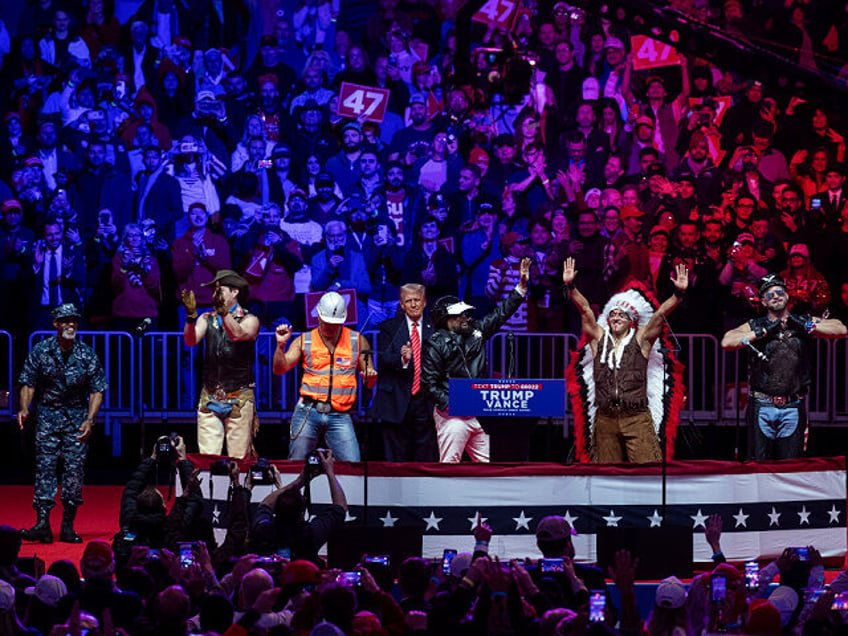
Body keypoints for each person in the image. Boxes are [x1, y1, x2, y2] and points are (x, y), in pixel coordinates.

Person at [564, 257, 688, 463]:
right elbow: (585, 310)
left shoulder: (641, 340)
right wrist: (571, 286)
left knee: (647, 472)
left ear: (631, 321)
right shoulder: (598, 340)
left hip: (636, 417)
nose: (616, 317)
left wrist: (678, 294)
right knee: (605, 477)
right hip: (605, 418)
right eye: (612, 315)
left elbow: (659, 315)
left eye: (621, 315)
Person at [721, 273, 847, 460]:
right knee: (757, 466)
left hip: (793, 405)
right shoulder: (756, 324)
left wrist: (807, 325)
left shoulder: (803, 322)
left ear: (787, 296)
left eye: (779, 292)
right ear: (763, 302)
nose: (776, 296)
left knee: (791, 466)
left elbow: (840, 329)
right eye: (770, 295)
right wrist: (762, 332)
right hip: (761, 405)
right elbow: (727, 341)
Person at [421, 258, 531, 463]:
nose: (465, 317)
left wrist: (521, 288)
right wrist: (453, 403)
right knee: (449, 466)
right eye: (459, 315)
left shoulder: (476, 332)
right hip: (451, 416)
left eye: (465, 313)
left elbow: (500, 314)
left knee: (487, 468)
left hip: (480, 415)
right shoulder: (435, 344)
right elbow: (428, 384)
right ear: (446, 320)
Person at [17, 303, 107, 544]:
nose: (70, 325)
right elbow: (28, 382)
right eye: (65, 320)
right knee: (45, 469)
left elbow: (98, 389)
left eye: (74, 321)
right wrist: (25, 408)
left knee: (74, 471)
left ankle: (68, 525)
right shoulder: (41, 351)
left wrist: (90, 419)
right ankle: (43, 524)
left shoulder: (86, 353)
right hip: (47, 416)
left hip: (77, 418)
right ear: (56, 324)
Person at [272, 291, 378, 461]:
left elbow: (369, 382)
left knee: (353, 465)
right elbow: (279, 369)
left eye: (334, 323)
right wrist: (280, 346)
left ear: (343, 320)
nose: (329, 326)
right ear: (318, 316)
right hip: (307, 412)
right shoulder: (304, 340)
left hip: (340, 415)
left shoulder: (358, 341)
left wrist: (370, 376)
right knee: (295, 463)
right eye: (326, 322)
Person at [182, 270, 260, 459]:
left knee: (239, 459)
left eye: (220, 291)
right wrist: (191, 317)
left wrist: (225, 314)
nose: (214, 296)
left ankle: (239, 489)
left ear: (234, 292)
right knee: (208, 460)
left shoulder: (251, 319)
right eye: (214, 292)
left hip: (239, 397)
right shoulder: (206, 318)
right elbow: (191, 341)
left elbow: (238, 334)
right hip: (210, 396)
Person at [372, 283, 438, 462]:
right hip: (396, 401)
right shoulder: (389, 327)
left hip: (426, 402)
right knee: (396, 458)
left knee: (425, 456)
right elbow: (384, 359)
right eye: (409, 301)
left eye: (417, 300)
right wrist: (403, 359)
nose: (414, 304)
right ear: (402, 304)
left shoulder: (437, 328)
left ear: (425, 302)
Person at [250, 449, 347, 562]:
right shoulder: (310, 533)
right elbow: (340, 508)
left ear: (276, 510)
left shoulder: (263, 530)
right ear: (302, 511)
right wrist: (330, 472)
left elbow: (265, 505)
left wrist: (299, 481)